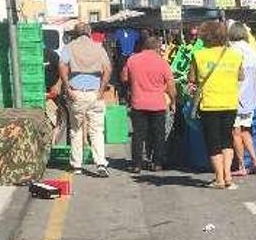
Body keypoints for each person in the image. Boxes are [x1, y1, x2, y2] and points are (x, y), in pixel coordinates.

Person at [190, 21, 245, 190]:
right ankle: (228, 176)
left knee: (213, 142)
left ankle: (219, 178)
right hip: (229, 102)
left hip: (209, 104)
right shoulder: (235, 55)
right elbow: (241, 76)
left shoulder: (198, 55)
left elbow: (192, 79)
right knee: (226, 140)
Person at [58, 22, 112, 177]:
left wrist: (67, 87)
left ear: (75, 33)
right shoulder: (98, 47)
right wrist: (102, 89)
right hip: (95, 93)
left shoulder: (69, 47)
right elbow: (108, 68)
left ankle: (77, 165)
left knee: (76, 130)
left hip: (77, 93)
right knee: (97, 130)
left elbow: (62, 65)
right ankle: (100, 163)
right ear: (89, 33)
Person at [120, 36, 175, 173]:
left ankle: (136, 164)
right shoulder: (162, 63)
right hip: (158, 104)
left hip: (138, 103)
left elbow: (124, 78)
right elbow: (171, 85)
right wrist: (173, 101)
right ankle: (157, 163)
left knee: (138, 135)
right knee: (158, 134)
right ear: (157, 48)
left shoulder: (132, 60)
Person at [229, 23, 256, 176]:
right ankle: (255, 160)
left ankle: (241, 165)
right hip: (250, 98)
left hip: (236, 97)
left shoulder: (232, 50)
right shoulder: (251, 50)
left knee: (236, 132)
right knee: (245, 130)